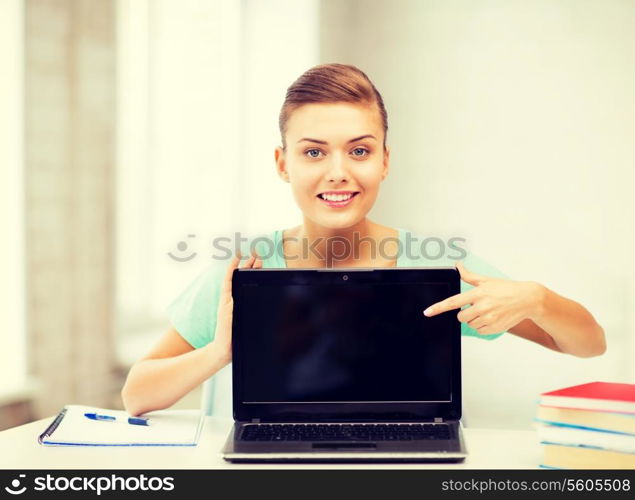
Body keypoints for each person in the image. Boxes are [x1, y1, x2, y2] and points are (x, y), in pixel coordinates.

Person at [121, 63, 606, 417]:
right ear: (283, 163)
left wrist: (536, 298)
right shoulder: (247, 270)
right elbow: (137, 395)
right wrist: (219, 352)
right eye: (314, 152)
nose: (339, 173)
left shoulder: (437, 267)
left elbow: (588, 345)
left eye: (359, 150)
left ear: (385, 161)